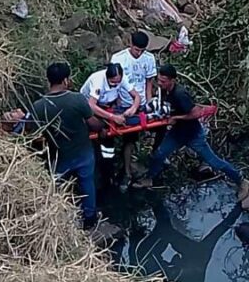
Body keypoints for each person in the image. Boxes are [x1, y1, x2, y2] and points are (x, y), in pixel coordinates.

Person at [133, 65, 249, 201]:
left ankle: (242, 181)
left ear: (173, 80)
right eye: (158, 80)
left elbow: (196, 113)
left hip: (193, 135)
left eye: (163, 81)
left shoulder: (180, 94)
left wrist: (176, 118)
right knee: (159, 153)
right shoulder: (164, 90)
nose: (160, 83)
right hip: (177, 133)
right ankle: (150, 179)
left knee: (214, 162)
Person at [26, 62, 105, 228]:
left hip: (58, 156)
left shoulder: (39, 106)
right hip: (84, 153)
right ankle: (89, 219)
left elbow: (32, 134)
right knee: (87, 184)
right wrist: (102, 127)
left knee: (57, 188)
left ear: (49, 81)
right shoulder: (77, 99)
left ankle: (60, 222)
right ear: (65, 80)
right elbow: (93, 124)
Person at [111, 31, 157, 181]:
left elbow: (149, 83)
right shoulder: (119, 59)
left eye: (142, 51)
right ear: (130, 44)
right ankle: (126, 170)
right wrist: (118, 106)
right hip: (124, 104)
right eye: (137, 50)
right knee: (128, 138)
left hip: (142, 103)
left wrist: (149, 103)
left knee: (157, 126)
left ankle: (152, 156)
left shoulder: (149, 59)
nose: (139, 53)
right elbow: (115, 84)